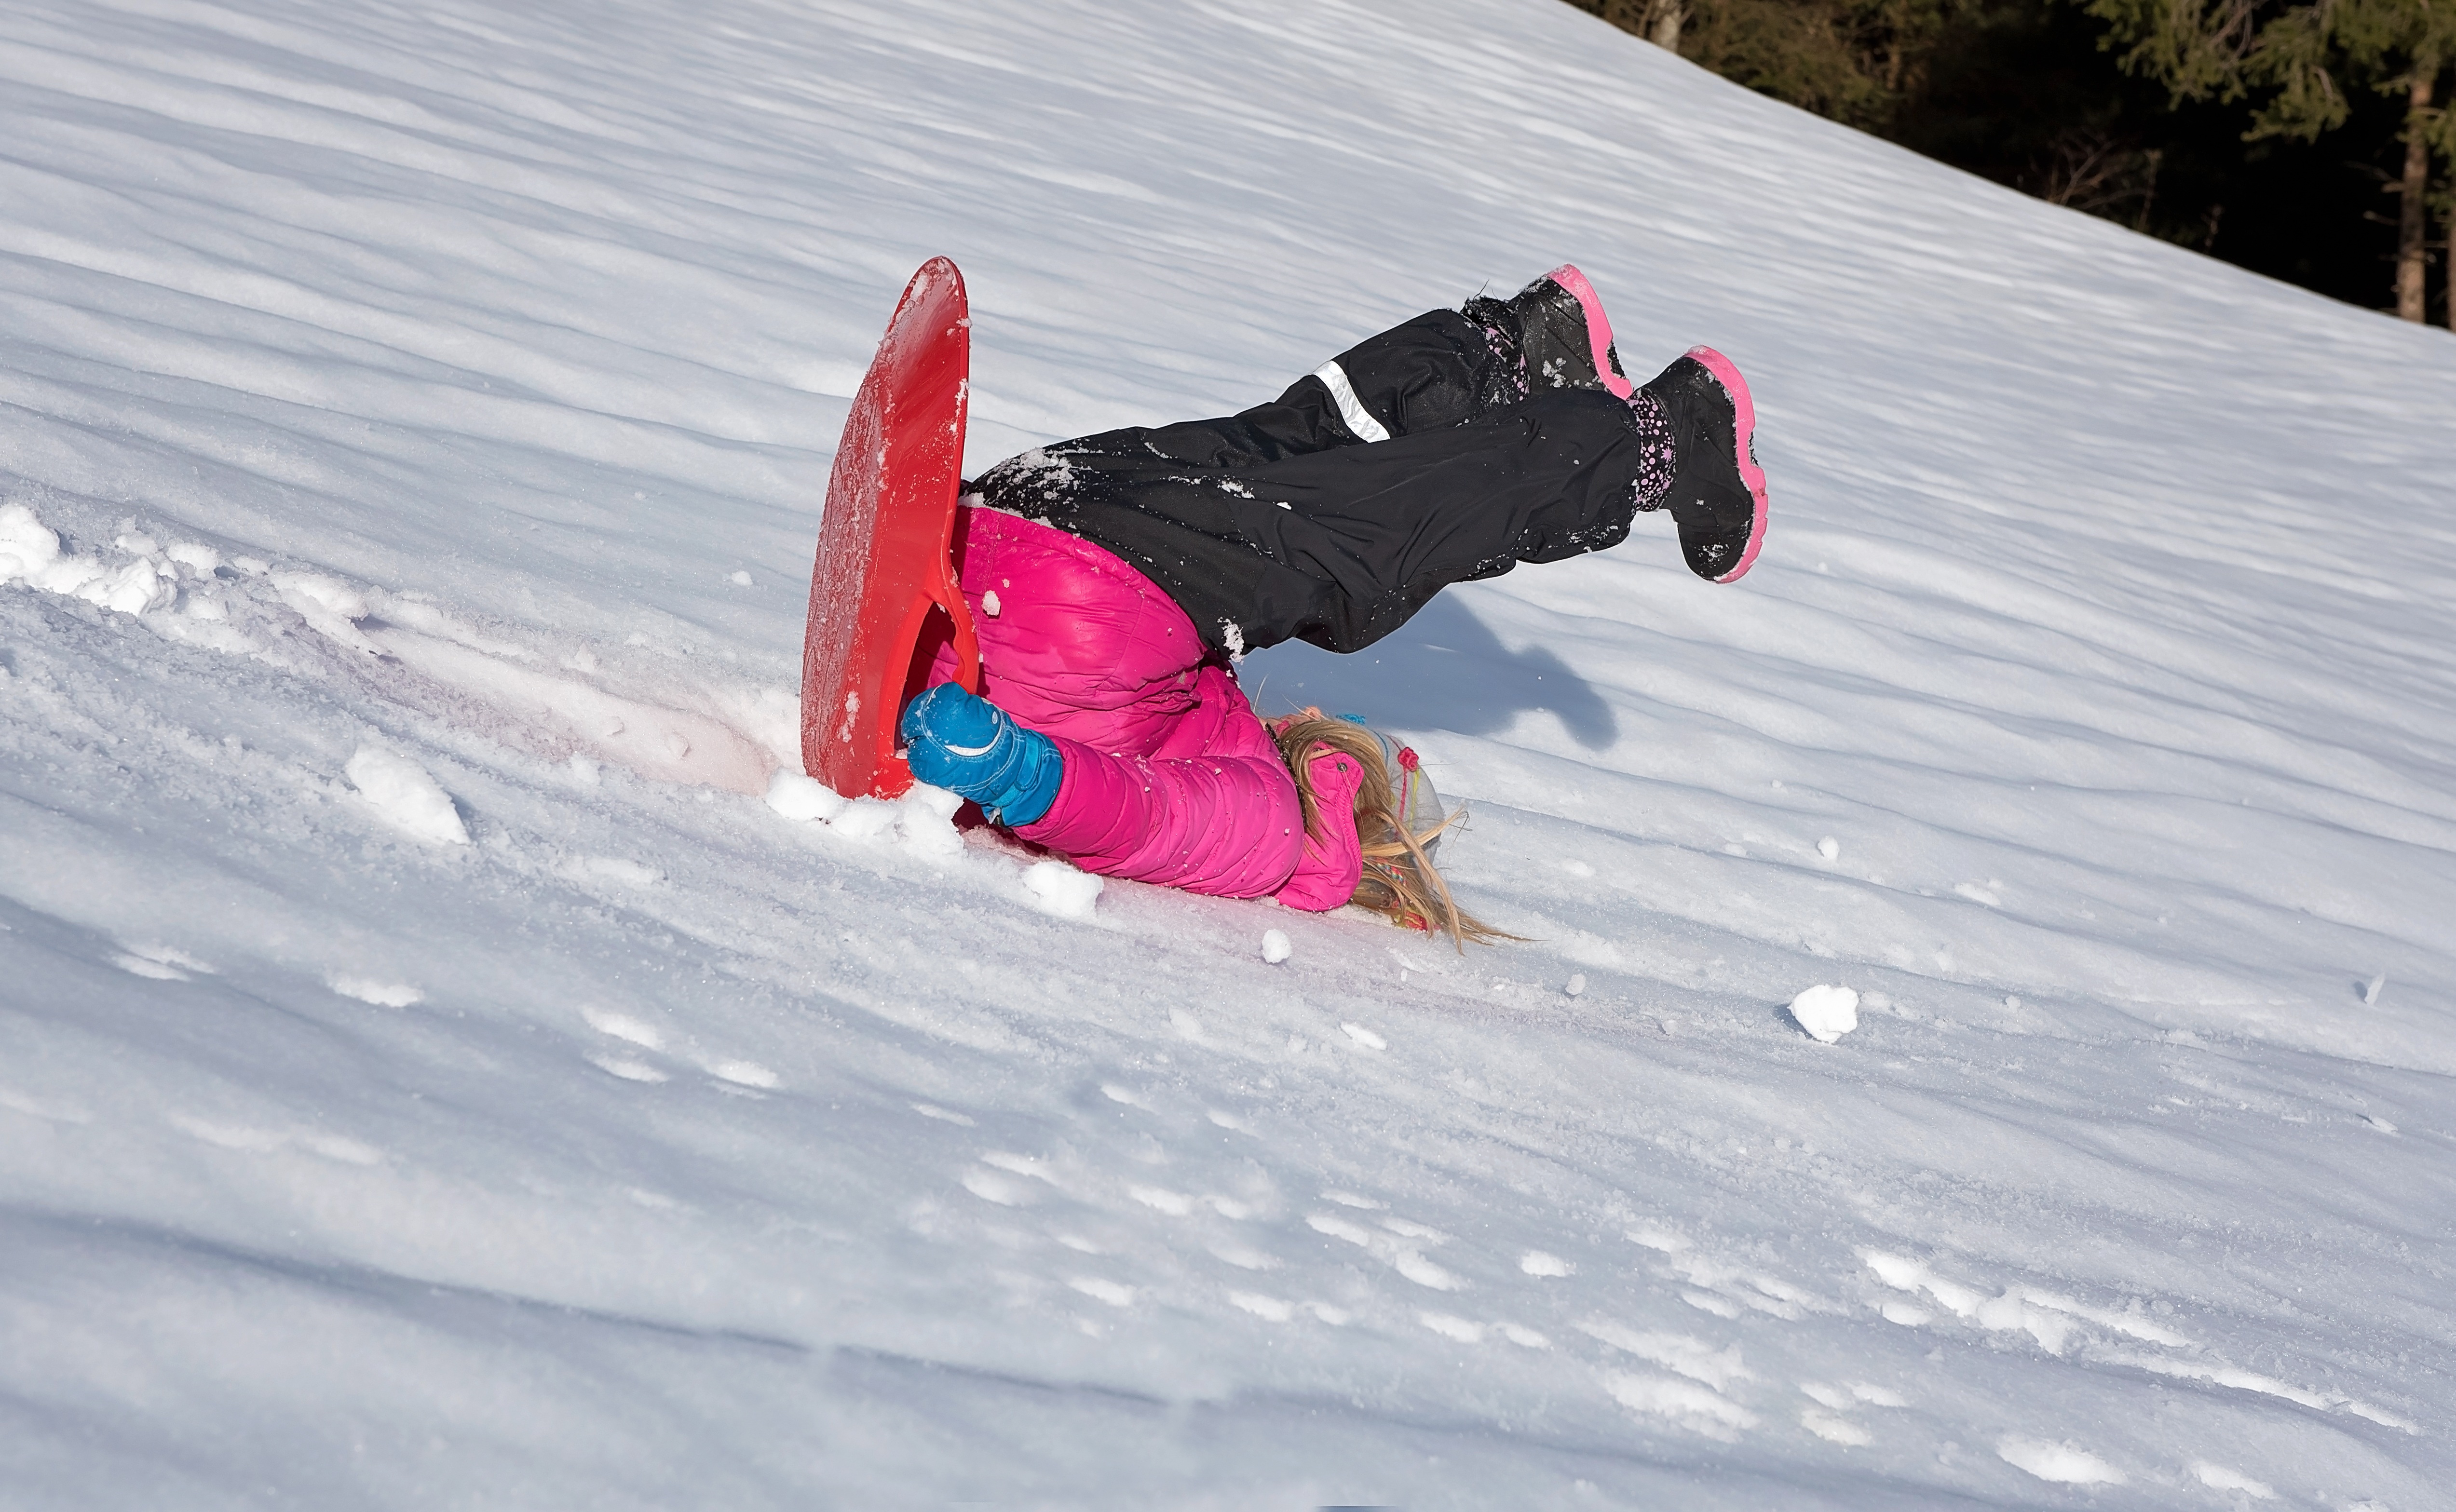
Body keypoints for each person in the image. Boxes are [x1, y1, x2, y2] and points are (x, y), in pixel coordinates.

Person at [897, 265, 1769, 945]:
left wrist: (1013, 769)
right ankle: (1525, 363)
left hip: (1066, 565)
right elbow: (1139, 801)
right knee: (1290, 477)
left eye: (1342, 742)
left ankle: (1618, 414)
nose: (1310, 711)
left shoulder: (1276, 838)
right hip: (1020, 535)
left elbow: (1134, 817)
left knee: (1358, 523)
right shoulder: (1230, 763)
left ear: (1352, 804)